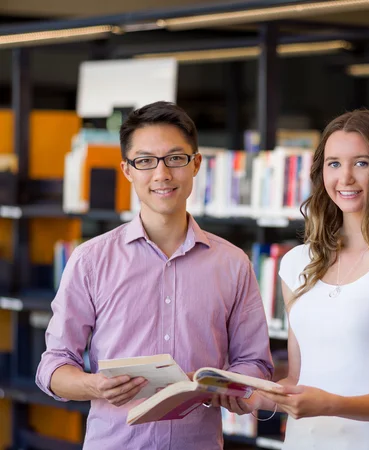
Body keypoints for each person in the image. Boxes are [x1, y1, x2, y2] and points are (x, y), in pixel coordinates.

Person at [35, 101, 273, 450]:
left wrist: (230, 387)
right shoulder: (90, 260)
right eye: (145, 161)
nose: (161, 174)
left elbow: (255, 364)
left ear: (196, 164)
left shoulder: (233, 264)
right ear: (127, 170)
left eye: (175, 159)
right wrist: (93, 386)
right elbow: (53, 366)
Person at [251, 109, 369, 449]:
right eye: (334, 164)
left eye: (361, 163)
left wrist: (328, 403)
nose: (346, 178)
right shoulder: (298, 264)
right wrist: (243, 394)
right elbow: (299, 380)